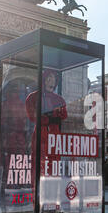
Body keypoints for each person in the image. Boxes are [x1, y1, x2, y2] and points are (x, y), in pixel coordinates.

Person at [25, 70, 67, 203]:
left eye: (54, 78)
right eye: (49, 77)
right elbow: (32, 116)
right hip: (41, 136)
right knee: (38, 169)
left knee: (54, 170)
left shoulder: (59, 99)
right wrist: (50, 118)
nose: (52, 80)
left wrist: (47, 117)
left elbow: (64, 114)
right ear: (44, 79)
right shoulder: (33, 97)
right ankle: (37, 203)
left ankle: (53, 202)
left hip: (54, 138)